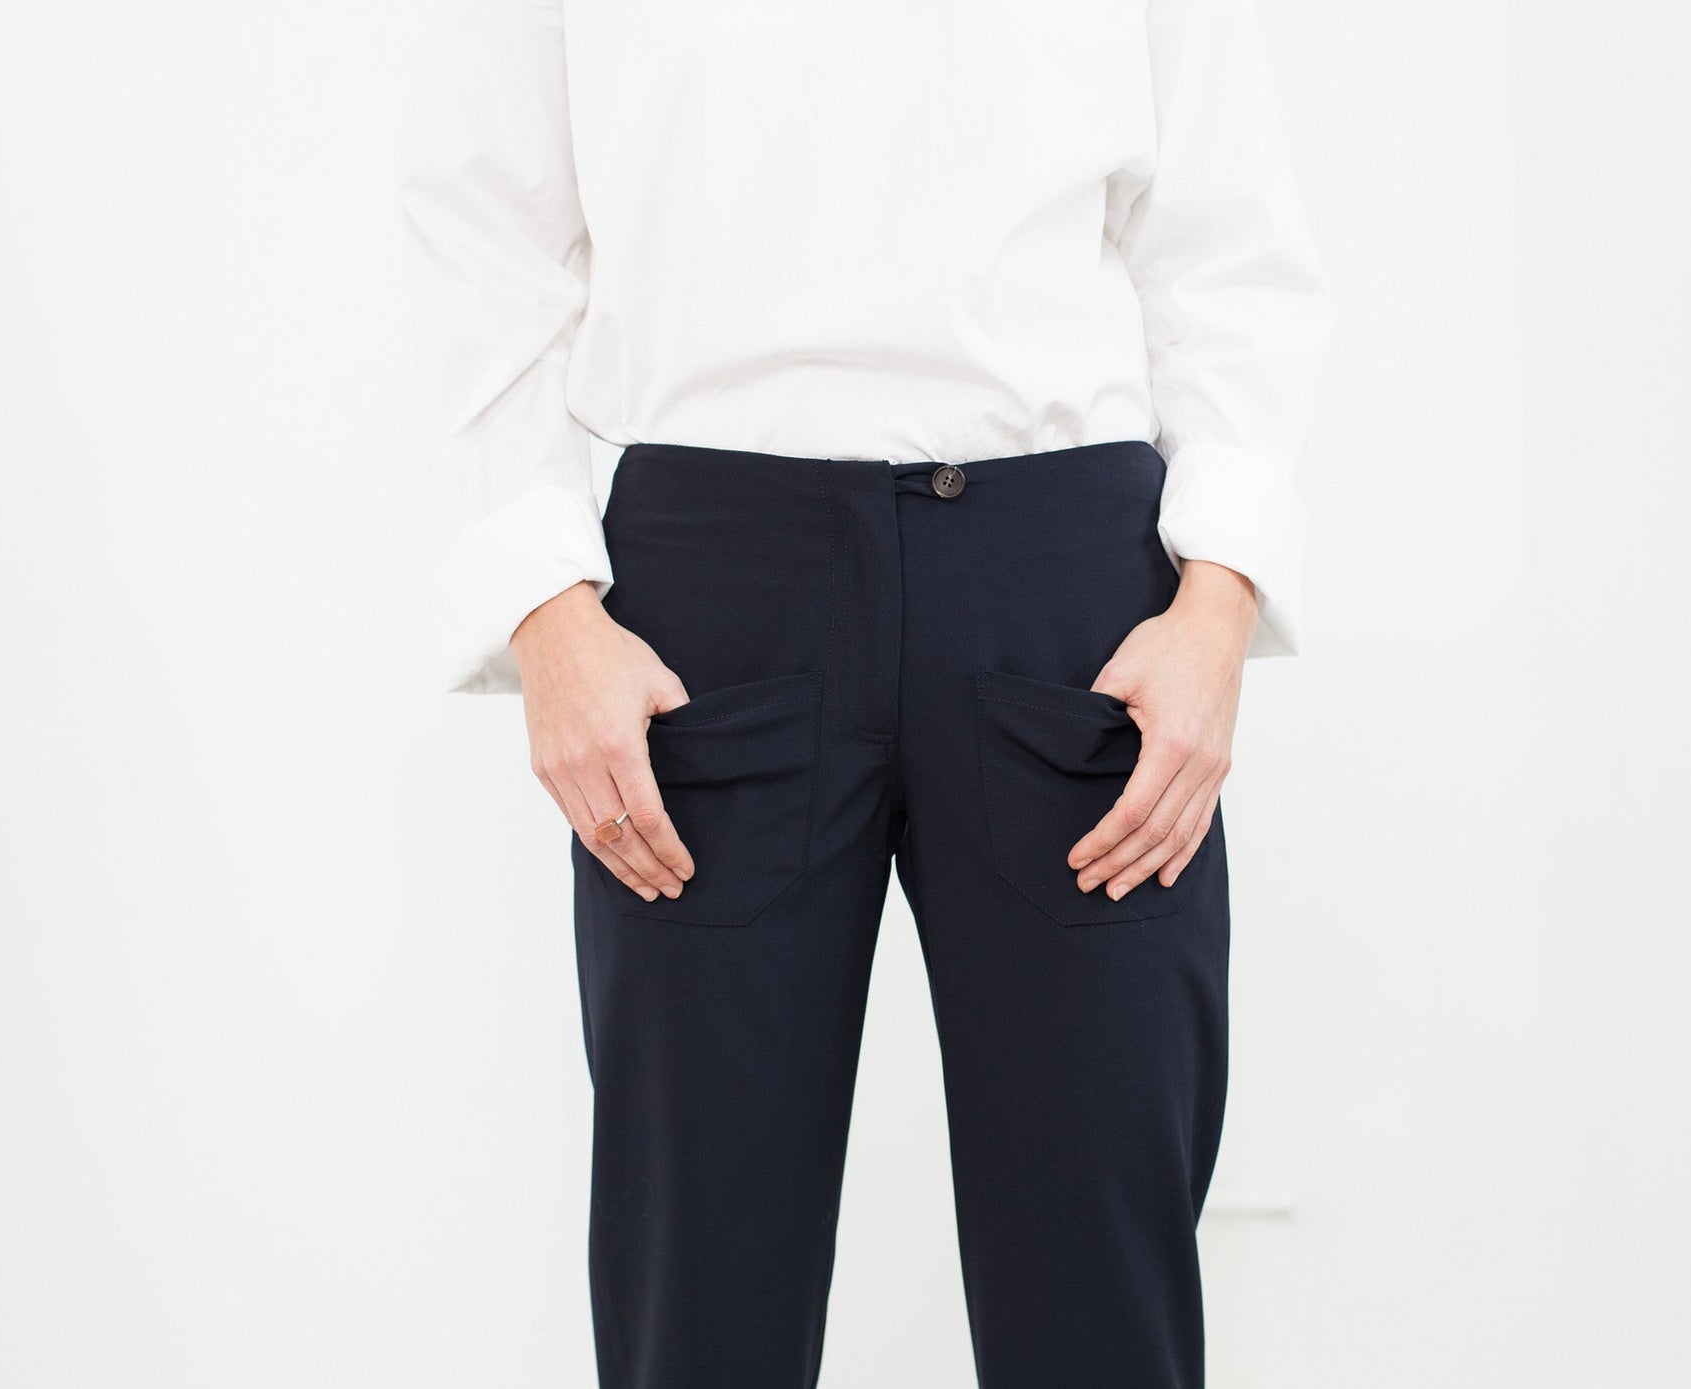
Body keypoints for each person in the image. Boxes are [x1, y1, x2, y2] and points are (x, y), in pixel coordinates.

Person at [400, 0, 1329, 1383]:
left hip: (1072, 589)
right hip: (710, 588)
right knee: (696, 1287)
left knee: (1104, 1285)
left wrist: (1220, 593)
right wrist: (544, 607)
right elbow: (488, 233)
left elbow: (1225, 239)